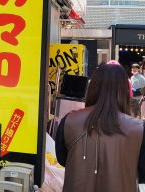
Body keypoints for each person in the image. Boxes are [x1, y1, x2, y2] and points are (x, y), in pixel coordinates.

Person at [55, 62, 145, 192]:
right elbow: (142, 174)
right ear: (125, 91)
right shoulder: (138, 129)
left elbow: (63, 160)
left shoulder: (69, 121)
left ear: (93, 87)